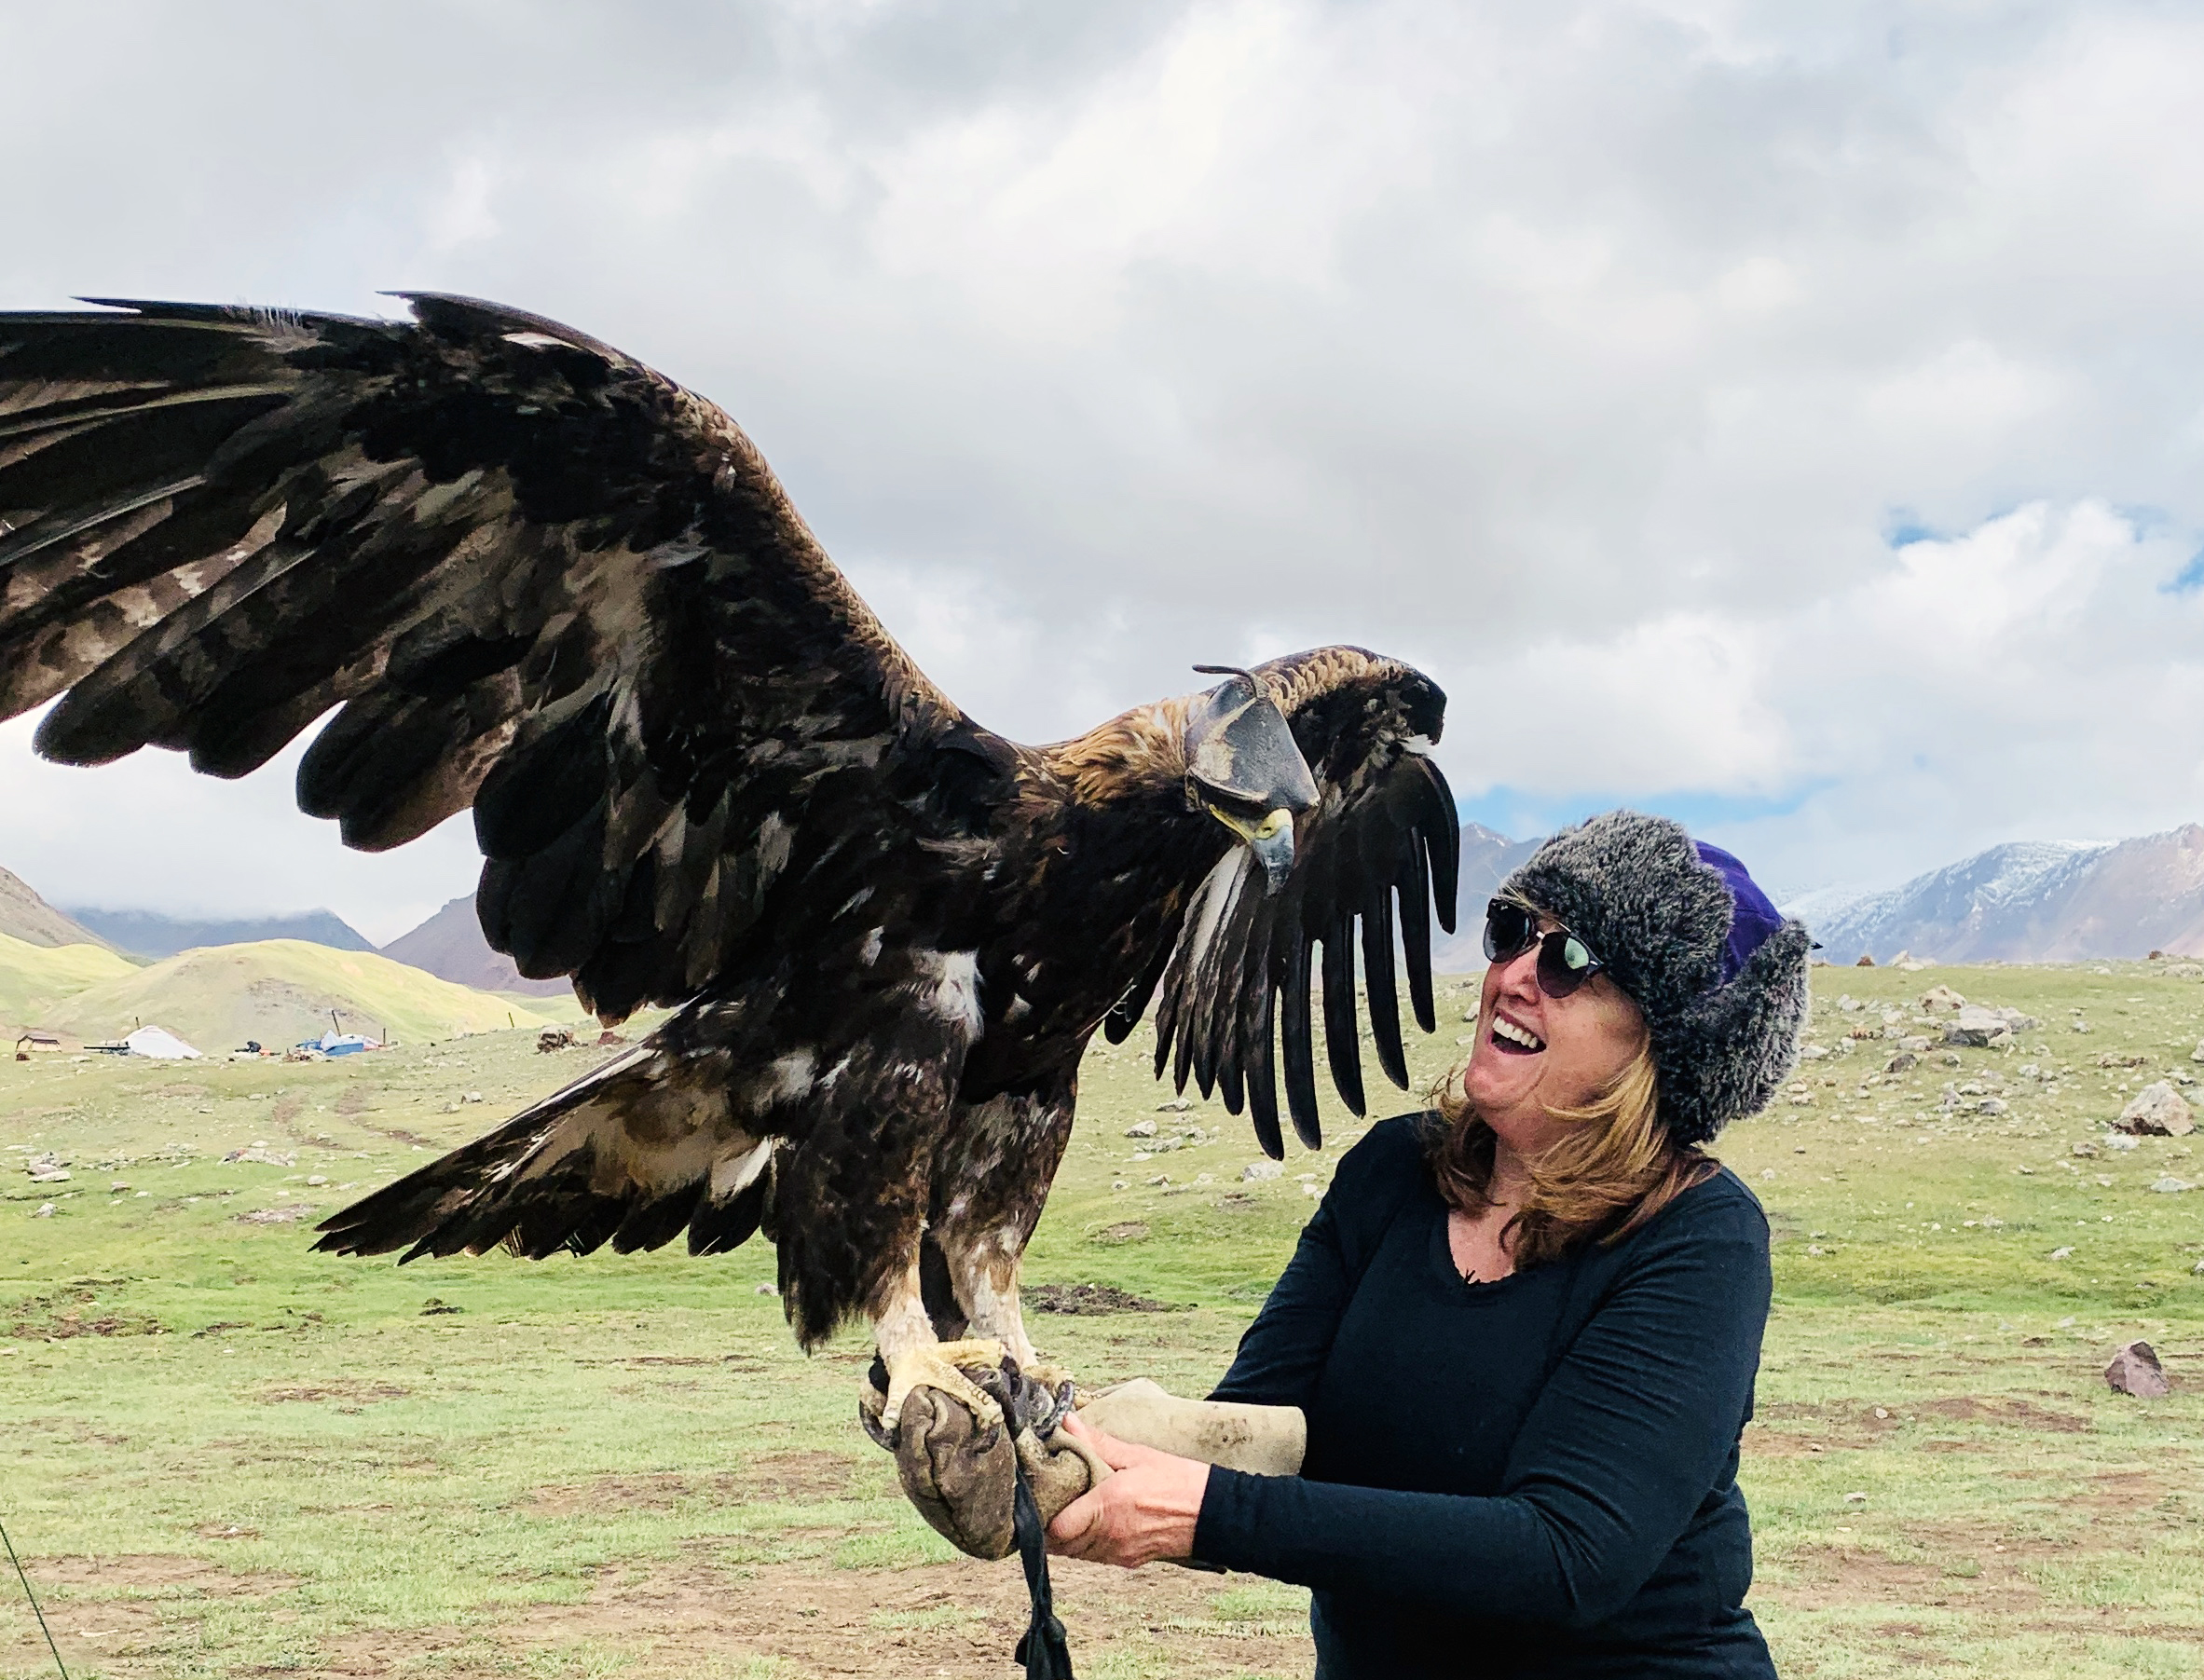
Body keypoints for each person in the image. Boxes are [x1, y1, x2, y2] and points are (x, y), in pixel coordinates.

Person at [1047, 810, 1811, 1679]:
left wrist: (1213, 1513)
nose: (1515, 974)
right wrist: (1062, 1453)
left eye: (1568, 962)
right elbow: (1257, 1436)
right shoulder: (1392, 1171)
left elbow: (1568, 1556)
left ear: (1659, 1048)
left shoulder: (1697, 1235)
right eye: (1513, 930)